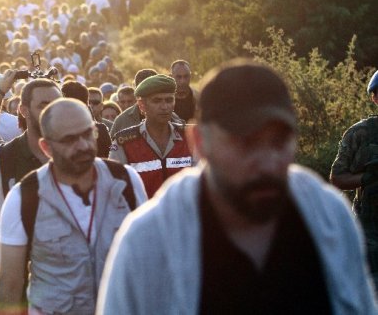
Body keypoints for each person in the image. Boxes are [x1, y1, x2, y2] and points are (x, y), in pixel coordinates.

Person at [98, 59, 377, 314]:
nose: (267, 162)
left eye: (279, 141)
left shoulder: (329, 218)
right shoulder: (147, 242)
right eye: (244, 143)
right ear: (199, 142)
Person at [0, 99, 147, 314]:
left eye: (87, 134)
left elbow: (148, 262)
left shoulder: (126, 181)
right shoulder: (23, 197)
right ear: (46, 147)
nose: (83, 145)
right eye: (69, 140)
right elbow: (9, 286)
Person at [0, 72, 62, 307]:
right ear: (24, 110)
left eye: (56, 104)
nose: (51, 111)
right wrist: (12, 239)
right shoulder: (4, 156)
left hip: (60, 276)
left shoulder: (72, 155)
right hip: (12, 275)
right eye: (43, 105)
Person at [330, 69, 378, 288]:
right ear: (374, 97)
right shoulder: (360, 133)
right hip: (368, 232)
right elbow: (338, 178)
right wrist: (369, 176)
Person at [109, 74, 193, 197]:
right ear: (142, 105)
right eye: (157, 101)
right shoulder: (123, 143)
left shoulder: (188, 137)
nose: (164, 107)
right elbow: (115, 192)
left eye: (169, 100)